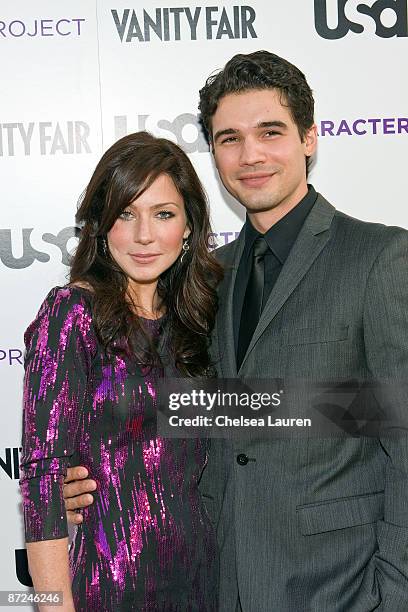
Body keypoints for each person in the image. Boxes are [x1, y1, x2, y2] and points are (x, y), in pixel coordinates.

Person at [62, 52, 408, 611]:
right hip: (220, 580)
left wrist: (392, 595)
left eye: (269, 132)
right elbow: (193, 414)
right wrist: (86, 478)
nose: (251, 155)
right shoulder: (204, 280)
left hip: (342, 588)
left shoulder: (380, 259)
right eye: (229, 138)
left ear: (310, 138)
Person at [20, 131, 222, 611]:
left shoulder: (201, 319)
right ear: (101, 226)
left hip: (205, 583)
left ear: (190, 226)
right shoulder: (73, 313)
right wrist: (53, 605)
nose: (144, 235)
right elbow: (44, 476)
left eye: (164, 214)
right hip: (108, 590)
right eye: (125, 214)